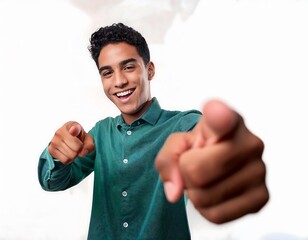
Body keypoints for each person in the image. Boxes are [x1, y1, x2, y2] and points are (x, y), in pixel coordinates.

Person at [38, 22, 269, 239]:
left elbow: (209, 141)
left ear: (149, 70)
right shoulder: (100, 133)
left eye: (128, 67)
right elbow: (53, 182)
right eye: (107, 73)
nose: (118, 81)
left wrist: (225, 154)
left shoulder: (183, 125)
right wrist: (57, 155)